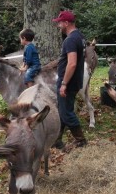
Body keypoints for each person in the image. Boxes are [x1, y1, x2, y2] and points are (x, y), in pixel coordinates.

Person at [52, 10, 87, 151]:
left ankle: (81, 141)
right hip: (75, 80)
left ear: (66, 23)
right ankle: (57, 140)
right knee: (63, 110)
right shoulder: (80, 37)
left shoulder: (71, 40)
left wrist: (64, 84)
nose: (58, 26)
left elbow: (72, 63)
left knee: (66, 113)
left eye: (59, 23)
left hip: (69, 82)